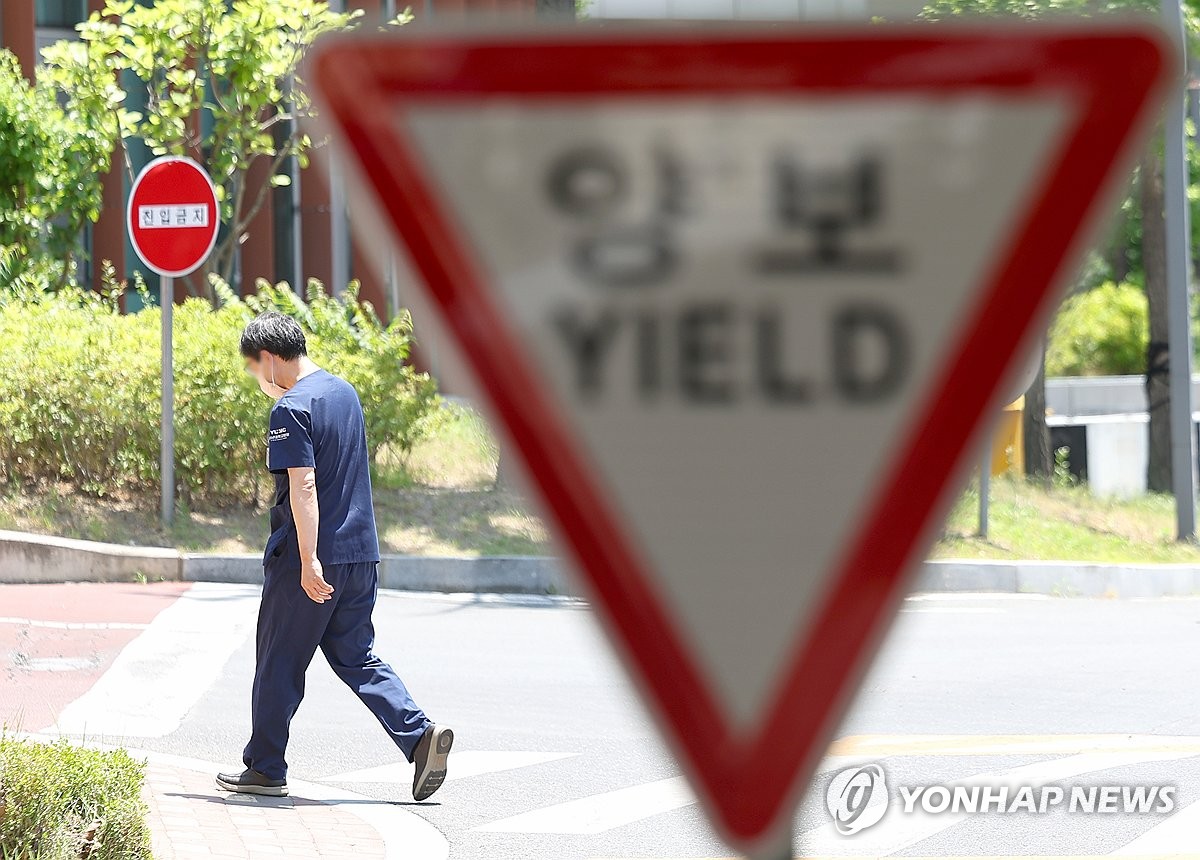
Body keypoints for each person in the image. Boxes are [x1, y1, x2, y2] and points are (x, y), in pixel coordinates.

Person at [217, 311, 452, 800]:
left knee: (279, 659)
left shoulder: (290, 410)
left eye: (254, 366)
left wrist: (307, 560)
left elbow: (303, 486)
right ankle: (418, 734)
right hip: (361, 553)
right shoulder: (343, 393)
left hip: (312, 558)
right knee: (355, 655)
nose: (255, 377)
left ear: (268, 359)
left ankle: (265, 768)